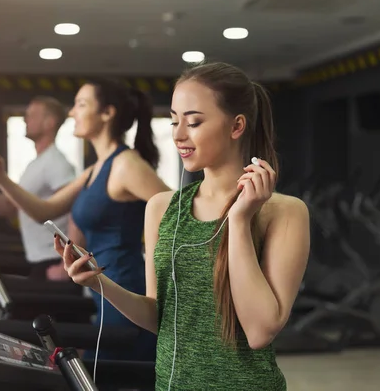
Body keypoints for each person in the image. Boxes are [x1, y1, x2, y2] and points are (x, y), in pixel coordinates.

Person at [56, 62, 311, 390]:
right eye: (175, 121)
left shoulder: (285, 212)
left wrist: (239, 219)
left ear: (236, 126)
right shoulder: (161, 208)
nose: (178, 135)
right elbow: (157, 317)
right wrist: (99, 283)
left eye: (193, 122)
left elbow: (260, 331)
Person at [0, 79, 171, 362]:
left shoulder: (126, 164)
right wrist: (0, 179)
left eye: (81, 104)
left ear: (107, 113)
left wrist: (161, 261)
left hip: (126, 292)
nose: (71, 113)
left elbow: (180, 211)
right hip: (103, 292)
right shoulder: (97, 169)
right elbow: (45, 210)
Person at [0, 96, 77, 280]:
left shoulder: (57, 163)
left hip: (54, 260)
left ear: (49, 123)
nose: (25, 119)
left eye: (32, 115)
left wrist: (65, 266)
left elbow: (76, 211)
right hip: (38, 258)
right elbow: (9, 206)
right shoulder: (36, 164)